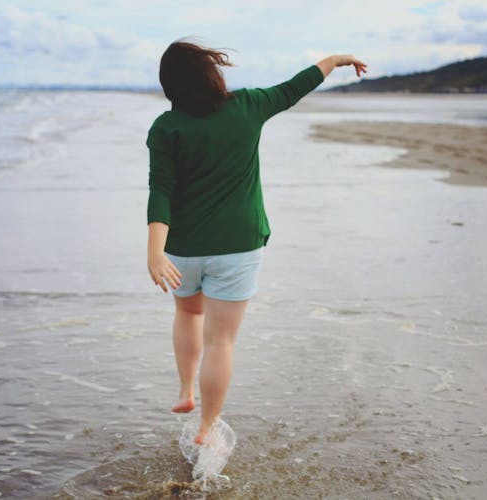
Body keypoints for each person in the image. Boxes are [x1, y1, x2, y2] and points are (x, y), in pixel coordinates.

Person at [146, 39, 366, 445]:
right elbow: (295, 86)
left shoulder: (166, 127)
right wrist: (335, 60)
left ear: (170, 85)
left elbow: (160, 190)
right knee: (221, 341)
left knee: (189, 315)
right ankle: (207, 428)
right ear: (212, 75)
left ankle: (185, 392)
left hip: (183, 249)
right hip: (238, 246)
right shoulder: (248, 106)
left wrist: (154, 252)